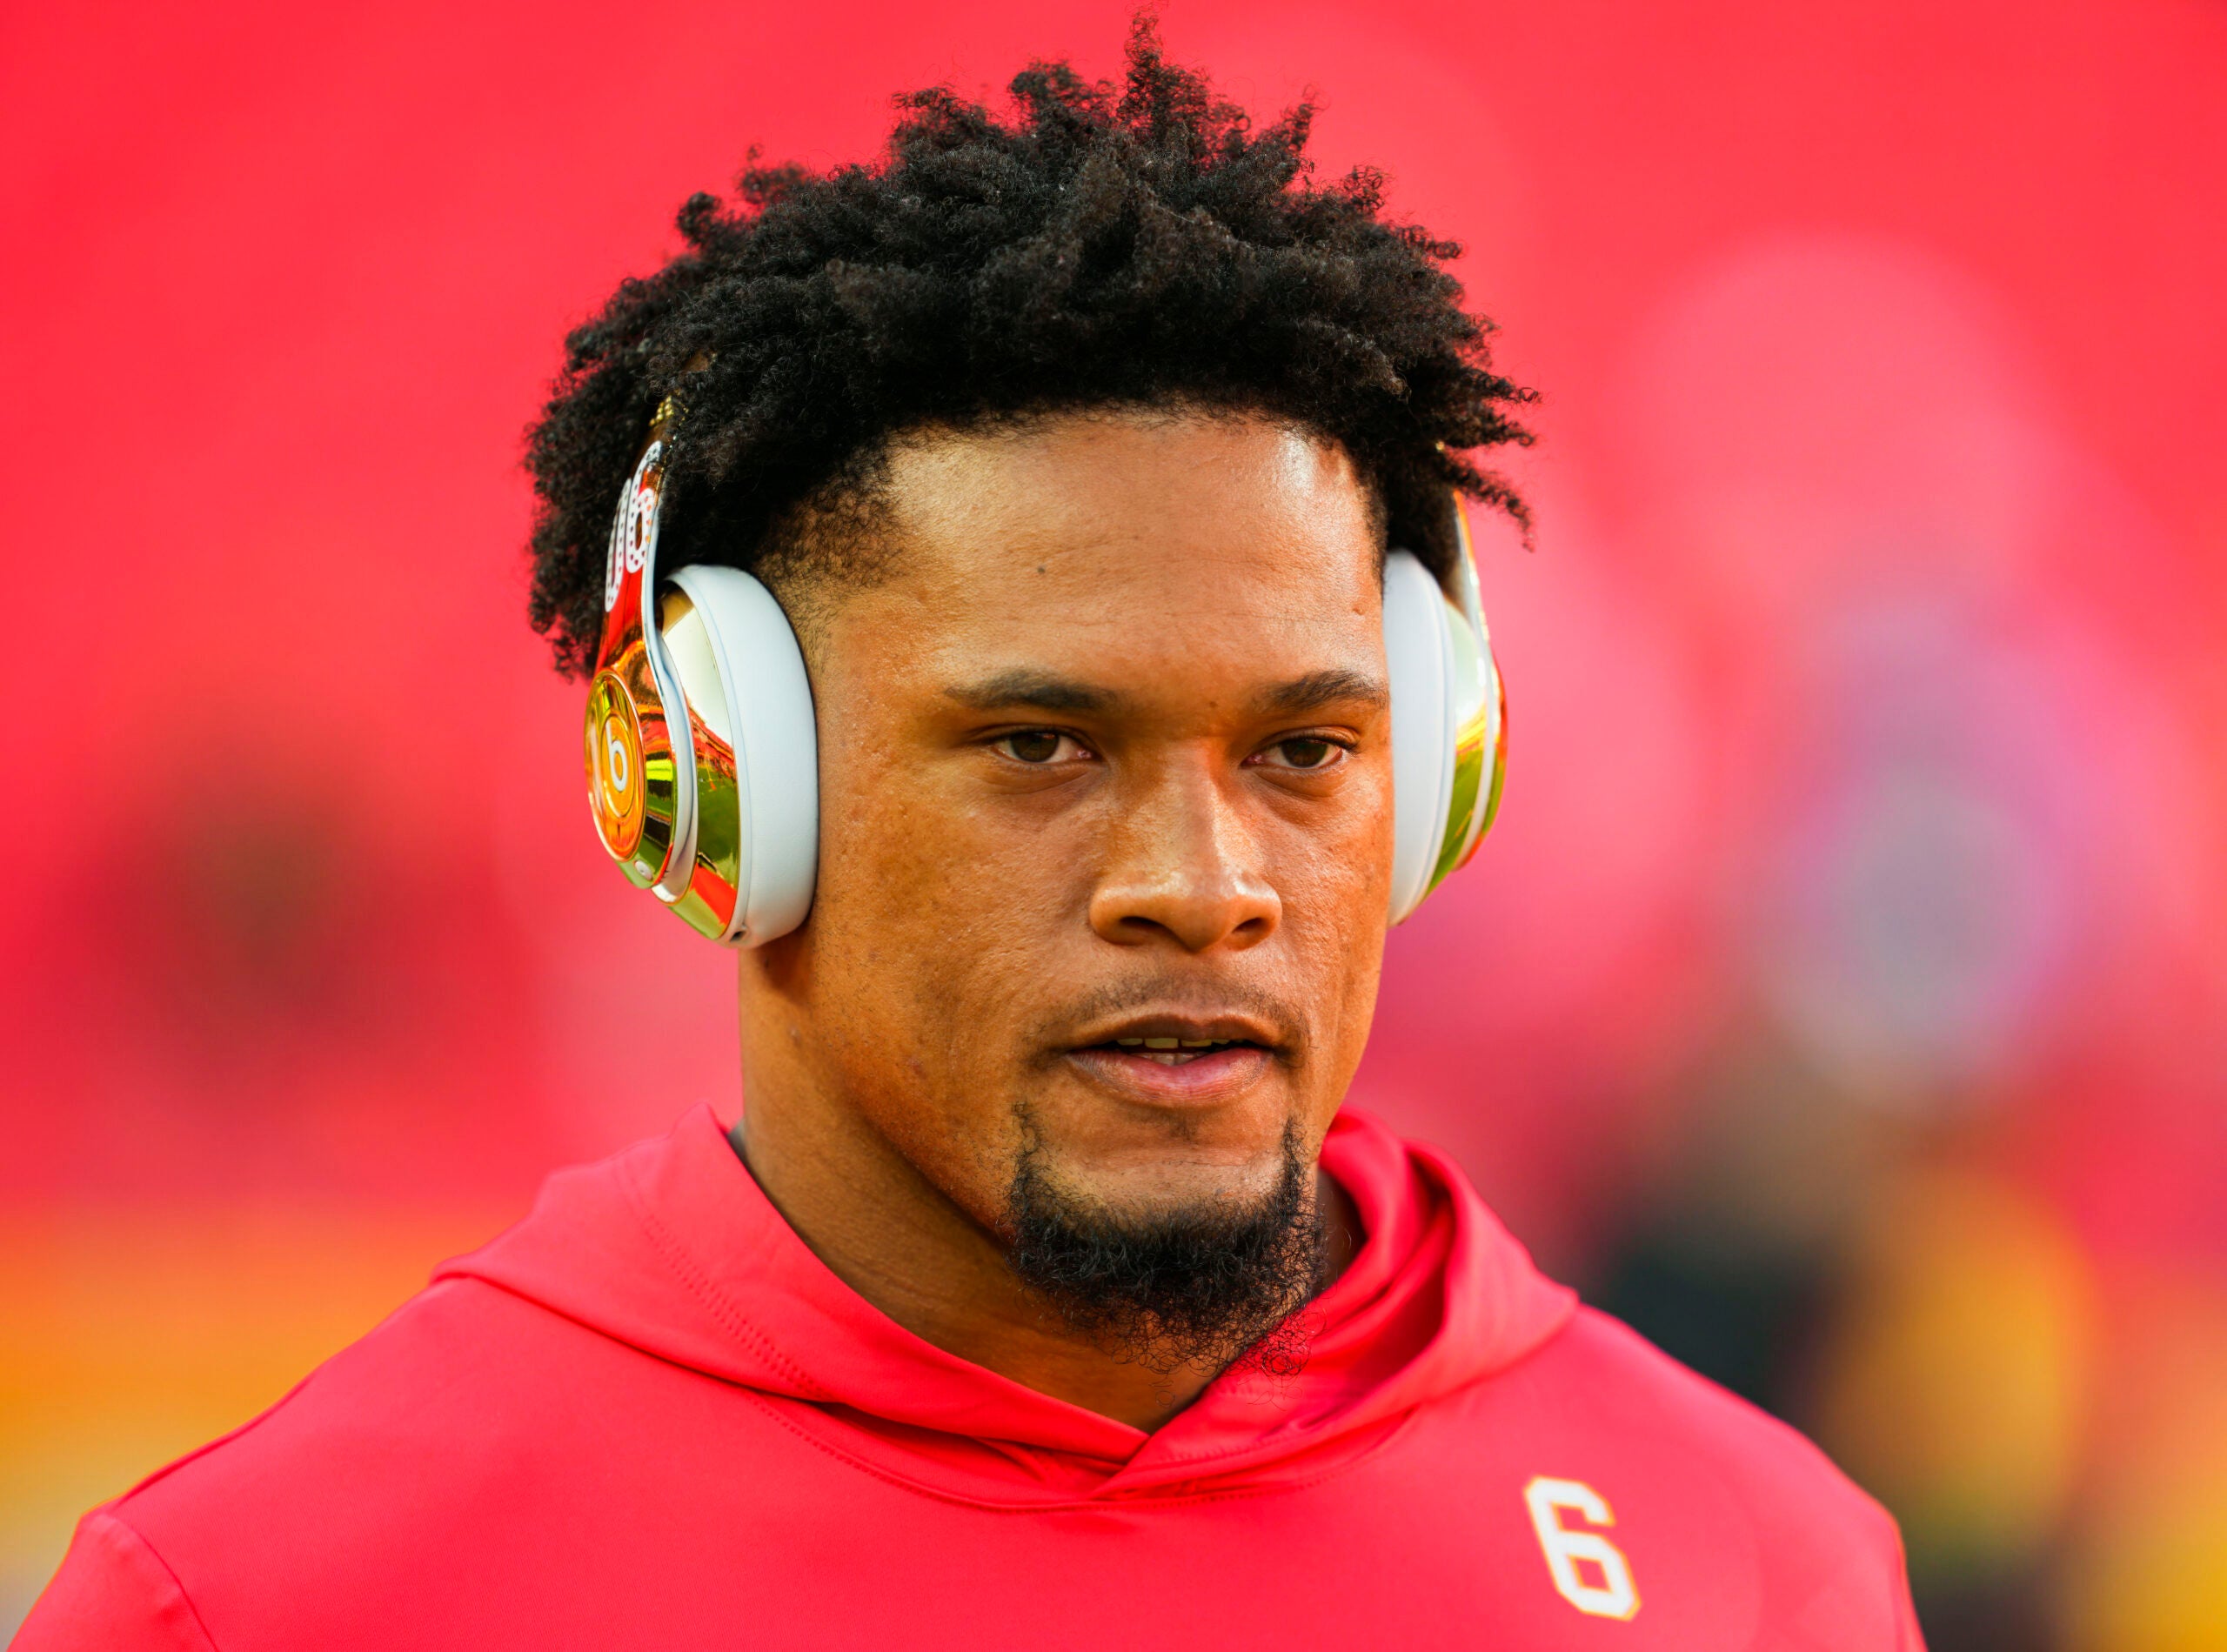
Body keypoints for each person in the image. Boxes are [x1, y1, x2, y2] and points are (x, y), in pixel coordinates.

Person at [16, 23, 1922, 1649]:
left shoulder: (1759, 1566)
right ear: (714, 786)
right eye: (1036, 746)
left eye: (1304, 751)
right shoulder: (275, 1597)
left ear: (1436, 786)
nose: (1201, 882)